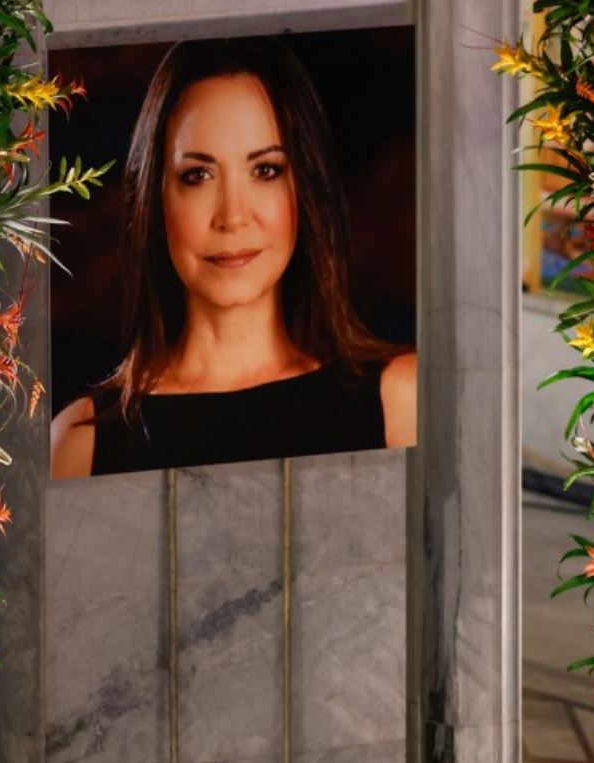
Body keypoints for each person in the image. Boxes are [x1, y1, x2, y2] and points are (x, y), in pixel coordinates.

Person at [51, 38, 416, 478]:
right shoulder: (79, 444)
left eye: (265, 170)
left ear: (303, 188)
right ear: (155, 200)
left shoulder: (400, 401)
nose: (233, 216)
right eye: (198, 175)